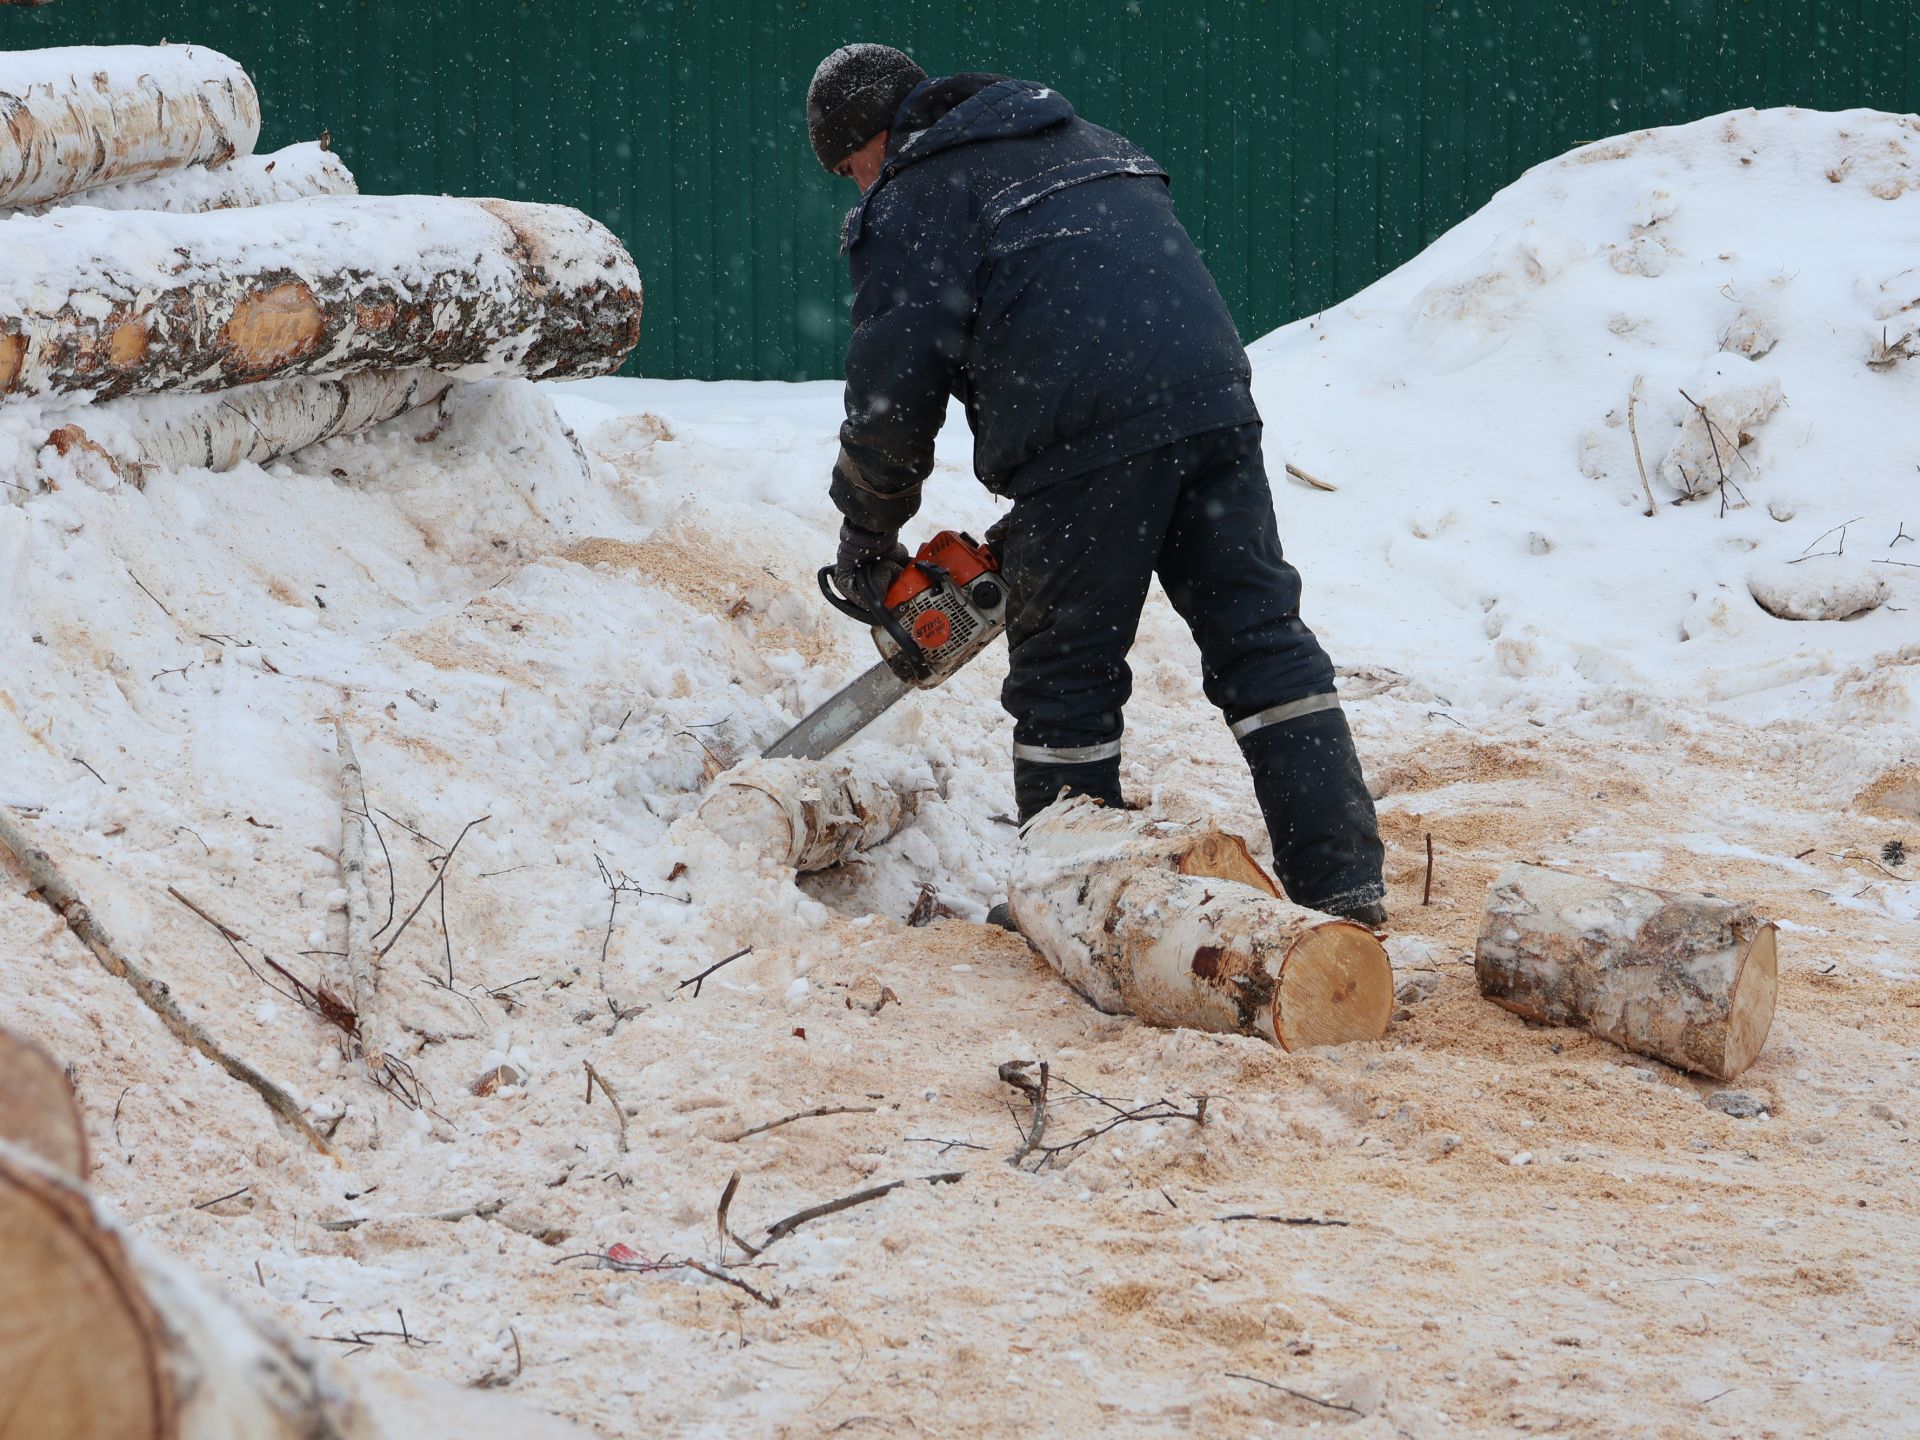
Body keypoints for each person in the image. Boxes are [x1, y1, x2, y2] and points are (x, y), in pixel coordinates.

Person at [805, 44, 1387, 925]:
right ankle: (1343, 881)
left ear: (871, 139)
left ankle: (1074, 901)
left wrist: (867, 532)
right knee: (1262, 642)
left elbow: (893, 391)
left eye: (852, 170)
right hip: (1213, 407)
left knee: (1066, 676)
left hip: (1087, 437)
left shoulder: (920, 193)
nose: (859, 189)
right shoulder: (1087, 142)